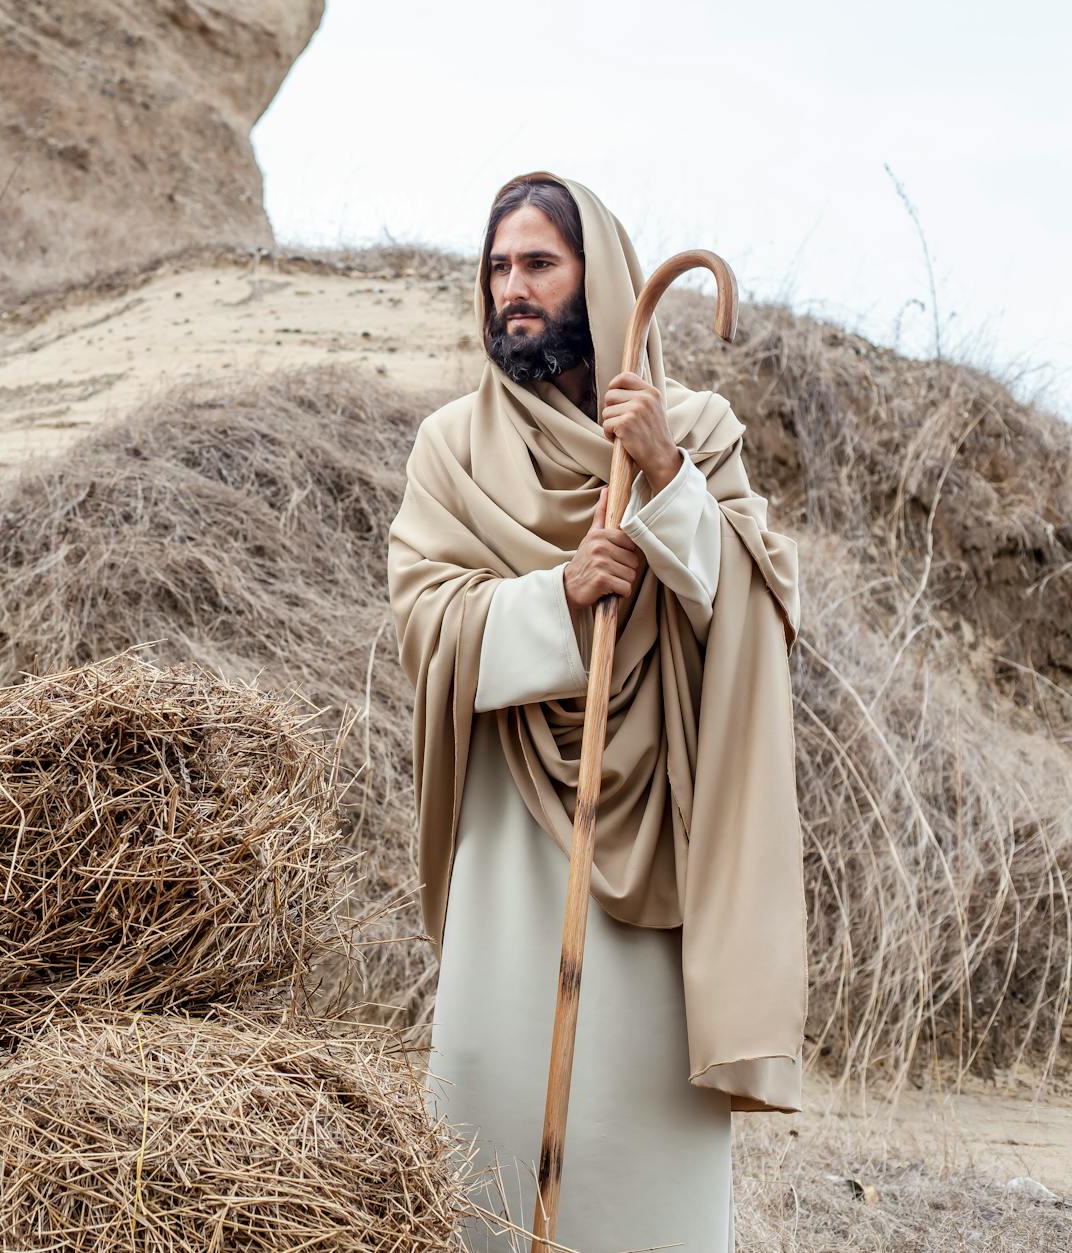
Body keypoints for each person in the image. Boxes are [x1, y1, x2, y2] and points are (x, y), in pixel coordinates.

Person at [386, 172, 806, 1252]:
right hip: (508, 855)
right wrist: (557, 598)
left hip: (655, 851)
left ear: (601, 280)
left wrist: (665, 474)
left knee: (640, 1159)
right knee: (485, 1139)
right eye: (497, 267)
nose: (511, 289)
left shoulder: (696, 430)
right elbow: (424, 619)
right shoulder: (451, 448)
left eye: (539, 263)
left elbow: (756, 608)